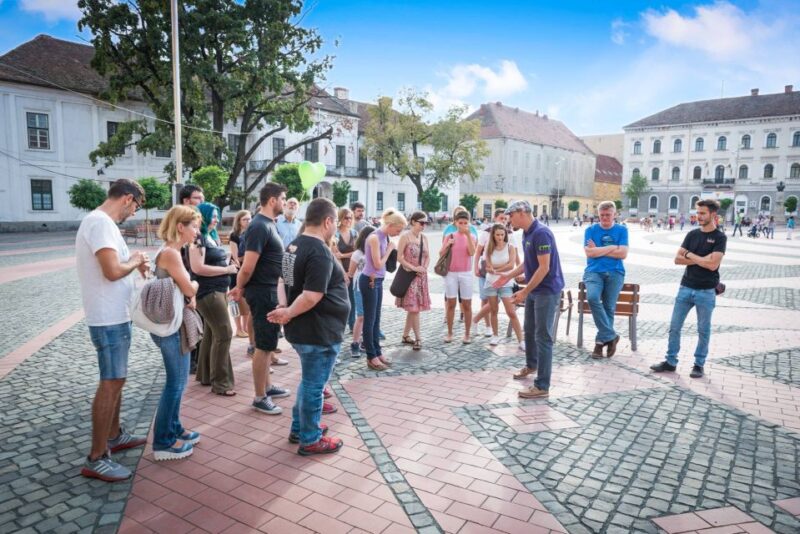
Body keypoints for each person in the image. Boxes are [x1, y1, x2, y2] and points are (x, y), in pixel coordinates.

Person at [76, 179, 149, 481]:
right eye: (136, 207)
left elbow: (115, 267)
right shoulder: (101, 223)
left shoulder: (101, 223)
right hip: (107, 318)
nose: (133, 213)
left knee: (116, 380)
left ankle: (115, 435)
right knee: (111, 381)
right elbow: (111, 270)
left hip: (114, 315)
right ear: (127, 199)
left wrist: (132, 262)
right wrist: (134, 260)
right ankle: (96, 456)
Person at [267, 198, 349, 456]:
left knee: (309, 382)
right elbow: (312, 295)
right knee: (314, 386)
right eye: (335, 221)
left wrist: (285, 308)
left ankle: (300, 428)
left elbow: (284, 280)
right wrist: (288, 311)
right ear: (327, 221)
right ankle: (310, 438)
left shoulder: (294, 245)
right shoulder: (319, 250)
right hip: (318, 331)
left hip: (306, 328)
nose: (335, 226)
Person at [229, 183, 291, 414]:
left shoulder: (268, 224)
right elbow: (247, 266)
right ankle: (259, 397)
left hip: (269, 290)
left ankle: (267, 386)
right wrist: (239, 287)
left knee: (268, 343)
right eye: (283, 199)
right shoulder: (258, 226)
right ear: (272, 200)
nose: (285, 203)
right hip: (262, 291)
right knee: (263, 346)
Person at [494, 200, 565, 399]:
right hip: (536, 289)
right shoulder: (527, 232)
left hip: (547, 291)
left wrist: (524, 292)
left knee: (543, 336)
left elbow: (544, 268)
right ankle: (532, 365)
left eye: (511, 216)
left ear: (522, 213)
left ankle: (542, 385)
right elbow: (529, 263)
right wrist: (508, 276)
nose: (509, 220)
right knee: (530, 329)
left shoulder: (541, 233)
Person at [149, 206, 203, 461]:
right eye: (193, 225)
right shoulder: (171, 253)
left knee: (178, 382)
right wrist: (194, 286)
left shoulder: (171, 251)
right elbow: (189, 289)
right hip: (170, 327)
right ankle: (163, 442)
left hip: (171, 324)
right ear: (180, 226)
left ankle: (174, 428)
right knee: (176, 383)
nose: (197, 231)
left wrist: (188, 292)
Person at [650, 199, 726, 379]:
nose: (698, 216)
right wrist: (702, 258)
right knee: (674, 327)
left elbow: (713, 265)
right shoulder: (692, 235)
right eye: (697, 213)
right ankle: (670, 362)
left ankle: (699, 365)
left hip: (706, 291)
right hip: (685, 287)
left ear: (713, 215)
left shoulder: (720, 238)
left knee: (703, 330)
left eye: (702, 213)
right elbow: (677, 259)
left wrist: (690, 255)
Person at [191, 203, 238, 396]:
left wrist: (225, 262)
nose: (216, 219)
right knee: (224, 333)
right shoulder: (197, 238)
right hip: (208, 293)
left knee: (211, 334)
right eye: (213, 216)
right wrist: (227, 269)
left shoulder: (211, 236)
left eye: (218, 216)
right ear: (202, 217)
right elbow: (198, 268)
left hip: (218, 290)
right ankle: (221, 383)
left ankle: (204, 375)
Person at [360, 208, 406, 371]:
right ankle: (371, 356)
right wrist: (388, 250)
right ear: (391, 225)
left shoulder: (385, 237)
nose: (398, 233)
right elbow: (378, 264)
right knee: (369, 320)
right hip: (369, 281)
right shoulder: (374, 237)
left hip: (378, 280)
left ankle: (377, 352)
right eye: (398, 230)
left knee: (376, 320)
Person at [583, 201, 629, 359]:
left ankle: (599, 344)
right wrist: (612, 248)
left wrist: (599, 250)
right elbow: (589, 253)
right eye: (602, 215)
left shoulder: (622, 230)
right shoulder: (590, 230)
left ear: (614, 214)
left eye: (608, 215)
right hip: (594, 272)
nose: (604, 218)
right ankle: (611, 336)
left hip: (615, 272)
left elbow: (623, 254)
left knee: (609, 308)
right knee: (593, 298)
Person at [483, 223, 523, 347]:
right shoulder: (488, 248)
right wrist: (500, 268)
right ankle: (495, 335)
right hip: (491, 282)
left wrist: (496, 269)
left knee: (511, 312)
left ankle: (521, 340)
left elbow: (511, 266)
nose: (500, 237)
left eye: (502, 234)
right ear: (493, 235)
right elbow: (487, 267)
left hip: (506, 283)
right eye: (497, 235)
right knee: (494, 310)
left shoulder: (510, 247)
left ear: (505, 234)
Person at [396, 211, 431, 350]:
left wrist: (424, 268)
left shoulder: (424, 238)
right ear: (413, 222)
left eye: (426, 223)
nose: (424, 226)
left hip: (421, 277)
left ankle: (405, 335)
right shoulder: (405, 237)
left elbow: (428, 256)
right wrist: (413, 267)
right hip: (409, 276)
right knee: (414, 309)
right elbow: (399, 257)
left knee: (413, 308)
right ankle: (418, 338)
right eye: (421, 223)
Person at [178, 184, 204, 374]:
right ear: (186, 200)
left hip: (194, 281)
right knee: (186, 324)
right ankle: (190, 361)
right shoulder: (179, 224)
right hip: (185, 283)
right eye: (198, 198)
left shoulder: (196, 225)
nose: (201, 202)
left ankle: (194, 360)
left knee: (196, 322)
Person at [441, 211, 477, 343]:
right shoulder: (449, 235)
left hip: (466, 273)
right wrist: (447, 244)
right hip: (451, 273)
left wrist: (467, 235)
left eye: (465, 223)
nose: (462, 225)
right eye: (460, 223)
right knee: (451, 304)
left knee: (467, 304)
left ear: (469, 223)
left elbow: (472, 252)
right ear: (455, 223)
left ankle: (467, 334)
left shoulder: (472, 236)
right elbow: (441, 253)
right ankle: (450, 333)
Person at [472, 209, 506, 338]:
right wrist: (475, 267)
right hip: (486, 268)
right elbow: (478, 251)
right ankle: (487, 326)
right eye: (501, 218)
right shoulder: (486, 233)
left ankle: (476, 320)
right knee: (485, 299)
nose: (503, 221)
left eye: (505, 219)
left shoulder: (507, 233)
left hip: (501, 269)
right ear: (495, 217)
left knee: (496, 300)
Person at [347, 226, 375, 356]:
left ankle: (366, 342)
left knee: (371, 316)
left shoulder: (375, 251)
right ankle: (355, 343)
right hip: (359, 287)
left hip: (373, 286)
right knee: (361, 316)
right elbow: (351, 273)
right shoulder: (358, 253)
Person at [229, 210, 253, 344]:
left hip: (248, 269)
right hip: (236, 270)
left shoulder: (252, 234)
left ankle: (245, 328)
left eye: (250, 219)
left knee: (246, 301)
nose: (248, 222)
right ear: (239, 221)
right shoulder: (234, 235)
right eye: (245, 219)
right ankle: (238, 328)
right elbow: (235, 257)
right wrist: (252, 255)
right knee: (236, 301)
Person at [333, 207, 358, 333]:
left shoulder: (355, 233)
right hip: (340, 271)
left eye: (351, 218)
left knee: (353, 299)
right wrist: (344, 274)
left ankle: (353, 325)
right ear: (341, 218)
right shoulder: (335, 234)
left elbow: (359, 252)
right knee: (341, 299)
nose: (349, 220)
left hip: (353, 269)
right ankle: (339, 325)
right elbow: (335, 255)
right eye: (346, 217)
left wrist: (343, 255)